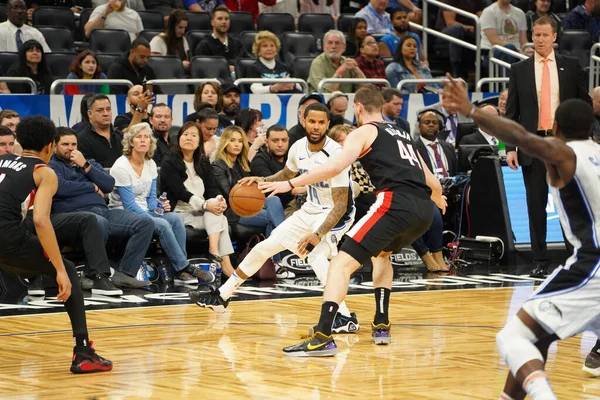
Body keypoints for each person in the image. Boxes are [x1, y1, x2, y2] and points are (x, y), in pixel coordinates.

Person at [443, 68, 600, 400]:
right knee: (536, 337)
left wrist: (472, 112)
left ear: (555, 128)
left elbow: (524, 138)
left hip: (593, 265)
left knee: (511, 338)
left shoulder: (566, 154)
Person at [260, 85, 446, 356]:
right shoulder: (403, 134)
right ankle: (381, 323)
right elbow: (431, 180)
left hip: (394, 203)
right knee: (382, 255)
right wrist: (438, 200)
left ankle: (323, 335)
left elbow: (336, 166)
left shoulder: (364, 131)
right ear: (381, 106)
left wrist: (291, 183)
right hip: (423, 210)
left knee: (339, 265)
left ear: (358, 107)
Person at [193, 103, 361, 334]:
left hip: (336, 214)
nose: (316, 126)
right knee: (265, 246)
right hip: (311, 208)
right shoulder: (299, 147)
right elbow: (286, 174)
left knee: (317, 257)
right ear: (303, 121)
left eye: (321, 122)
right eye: (312, 121)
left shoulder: (336, 154)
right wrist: (261, 180)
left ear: (327, 124)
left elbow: (341, 204)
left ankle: (344, 316)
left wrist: (318, 234)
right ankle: (222, 296)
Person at [0, 115, 112, 373]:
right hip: (7, 237)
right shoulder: (44, 171)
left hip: (8, 232)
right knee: (70, 270)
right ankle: (83, 351)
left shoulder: (3, 160)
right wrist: (59, 268)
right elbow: (41, 220)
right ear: (50, 146)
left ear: (18, 141)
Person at [505, 17, 591, 278]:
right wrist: (510, 147)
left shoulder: (571, 66)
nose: (540, 40)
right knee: (535, 205)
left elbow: (583, 106)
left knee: (571, 203)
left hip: (564, 146)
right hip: (533, 146)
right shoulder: (519, 69)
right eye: (536, 35)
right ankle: (539, 260)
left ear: (555, 37)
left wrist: (586, 139)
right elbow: (511, 113)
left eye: (545, 35)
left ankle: (573, 256)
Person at [109, 122, 216, 285]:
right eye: (139, 137)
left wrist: (159, 207)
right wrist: (155, 218)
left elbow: (151, 199)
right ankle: (183, 268)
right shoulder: (121, 166)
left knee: (175, 218)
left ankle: (181, 273)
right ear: (131, 142)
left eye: (147, 137)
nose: (143, 140)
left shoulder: (151, 164)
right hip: (121, 213)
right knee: (162, 224)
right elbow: (129, 205)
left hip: (143, 211)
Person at [49, 127, 155, 288]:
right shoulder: (52, 166)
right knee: (97, 221)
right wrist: (91, 186)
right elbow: (61, 187)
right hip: (73, 215)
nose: (70, 148)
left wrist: (85, 166)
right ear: (55, 145)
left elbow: (108, 184)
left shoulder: (88, 163)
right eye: (65, 144)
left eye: (73, 144)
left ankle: (125, 273)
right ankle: (90, 274)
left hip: (103, 211)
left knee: (144, 223)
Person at [160, 122, 235, 277]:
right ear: (179, 138)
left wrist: (219, 199)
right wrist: (206, 204)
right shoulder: (169, 162)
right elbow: (180, 192)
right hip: (179, 212)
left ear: (199, 141)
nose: (189, 138)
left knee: (217, 213)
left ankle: (214, 251)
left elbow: (212, 188)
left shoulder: (203, 161)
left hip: (201, 210)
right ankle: (225, 264)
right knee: (218, 217)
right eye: (185, 134)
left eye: (194, 135)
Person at [211, 126, 286, 263]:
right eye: (232, 140)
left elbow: (252, 191)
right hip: (233, 211)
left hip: (247, 207)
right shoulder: (218, 166)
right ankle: (284, 245)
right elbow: (231, 197)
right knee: (274, 219)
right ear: (224, 142)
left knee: (273, 202)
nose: (236, 144)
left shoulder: (242, 164)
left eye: (240, 141)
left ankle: (274, 262)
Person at [434, 0, 484, 79]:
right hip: (446, 33)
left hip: (469, 31)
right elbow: (450, 22)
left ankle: (480, 70)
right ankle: (456, 70)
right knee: (457, 29)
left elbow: (481, 15)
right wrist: (467, 27)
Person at [78, 94, 124, 168]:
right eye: (100, 110)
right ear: (89, 114)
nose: (106, 114)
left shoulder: (121, 136)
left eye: (108, 109)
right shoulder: (82, 139)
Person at [480, 0, 528, 66]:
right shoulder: (489, 12)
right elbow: (494, 41)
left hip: (517, 54)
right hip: (492, 53)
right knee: (509, 47)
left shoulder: (520, 13)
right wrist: (516, 51)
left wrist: (527, 49)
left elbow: (523, 40)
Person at [414, 109, 457, 178]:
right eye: (427, 122)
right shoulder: (413, 148)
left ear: (439, 127)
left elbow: (455, 173)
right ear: (419, 126)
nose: (431, 125)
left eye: (434, 122)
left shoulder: (448, 147)